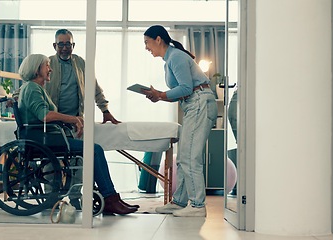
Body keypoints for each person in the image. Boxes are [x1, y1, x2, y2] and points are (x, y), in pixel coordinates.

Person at [17, 53, 137, 215]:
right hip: (44, 140)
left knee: (94, 149)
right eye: (47, 65)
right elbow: (44, 115)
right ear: (36, 69)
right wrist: (73, 119)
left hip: (46, 137)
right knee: (95, 150)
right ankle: (110, 198)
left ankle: (110, 197)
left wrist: (74, 120)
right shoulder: (32, 88)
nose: (50, 69)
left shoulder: (34, 88)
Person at [141, 25, 218, 217]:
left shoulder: (176, 57)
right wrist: (159, 96)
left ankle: (198, 205)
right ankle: (180, 201)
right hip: (193, 104)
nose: (146, 47)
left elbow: (185, 88)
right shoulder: (169, 61)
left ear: (158, 39)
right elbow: (183, 91)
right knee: (184, 156)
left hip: (199, 103)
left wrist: (160, 94)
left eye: (147, 43)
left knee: (190, 156)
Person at [45, 28, 120, 124]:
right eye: (60, 44)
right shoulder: (47, 63)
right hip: (54, 120)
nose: (64, 48)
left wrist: (105, 111)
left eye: (68, 44)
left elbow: (95, 88)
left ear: (73, 45)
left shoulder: (81, 63)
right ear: (54, 46)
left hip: (77, 120)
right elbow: (34, 84)